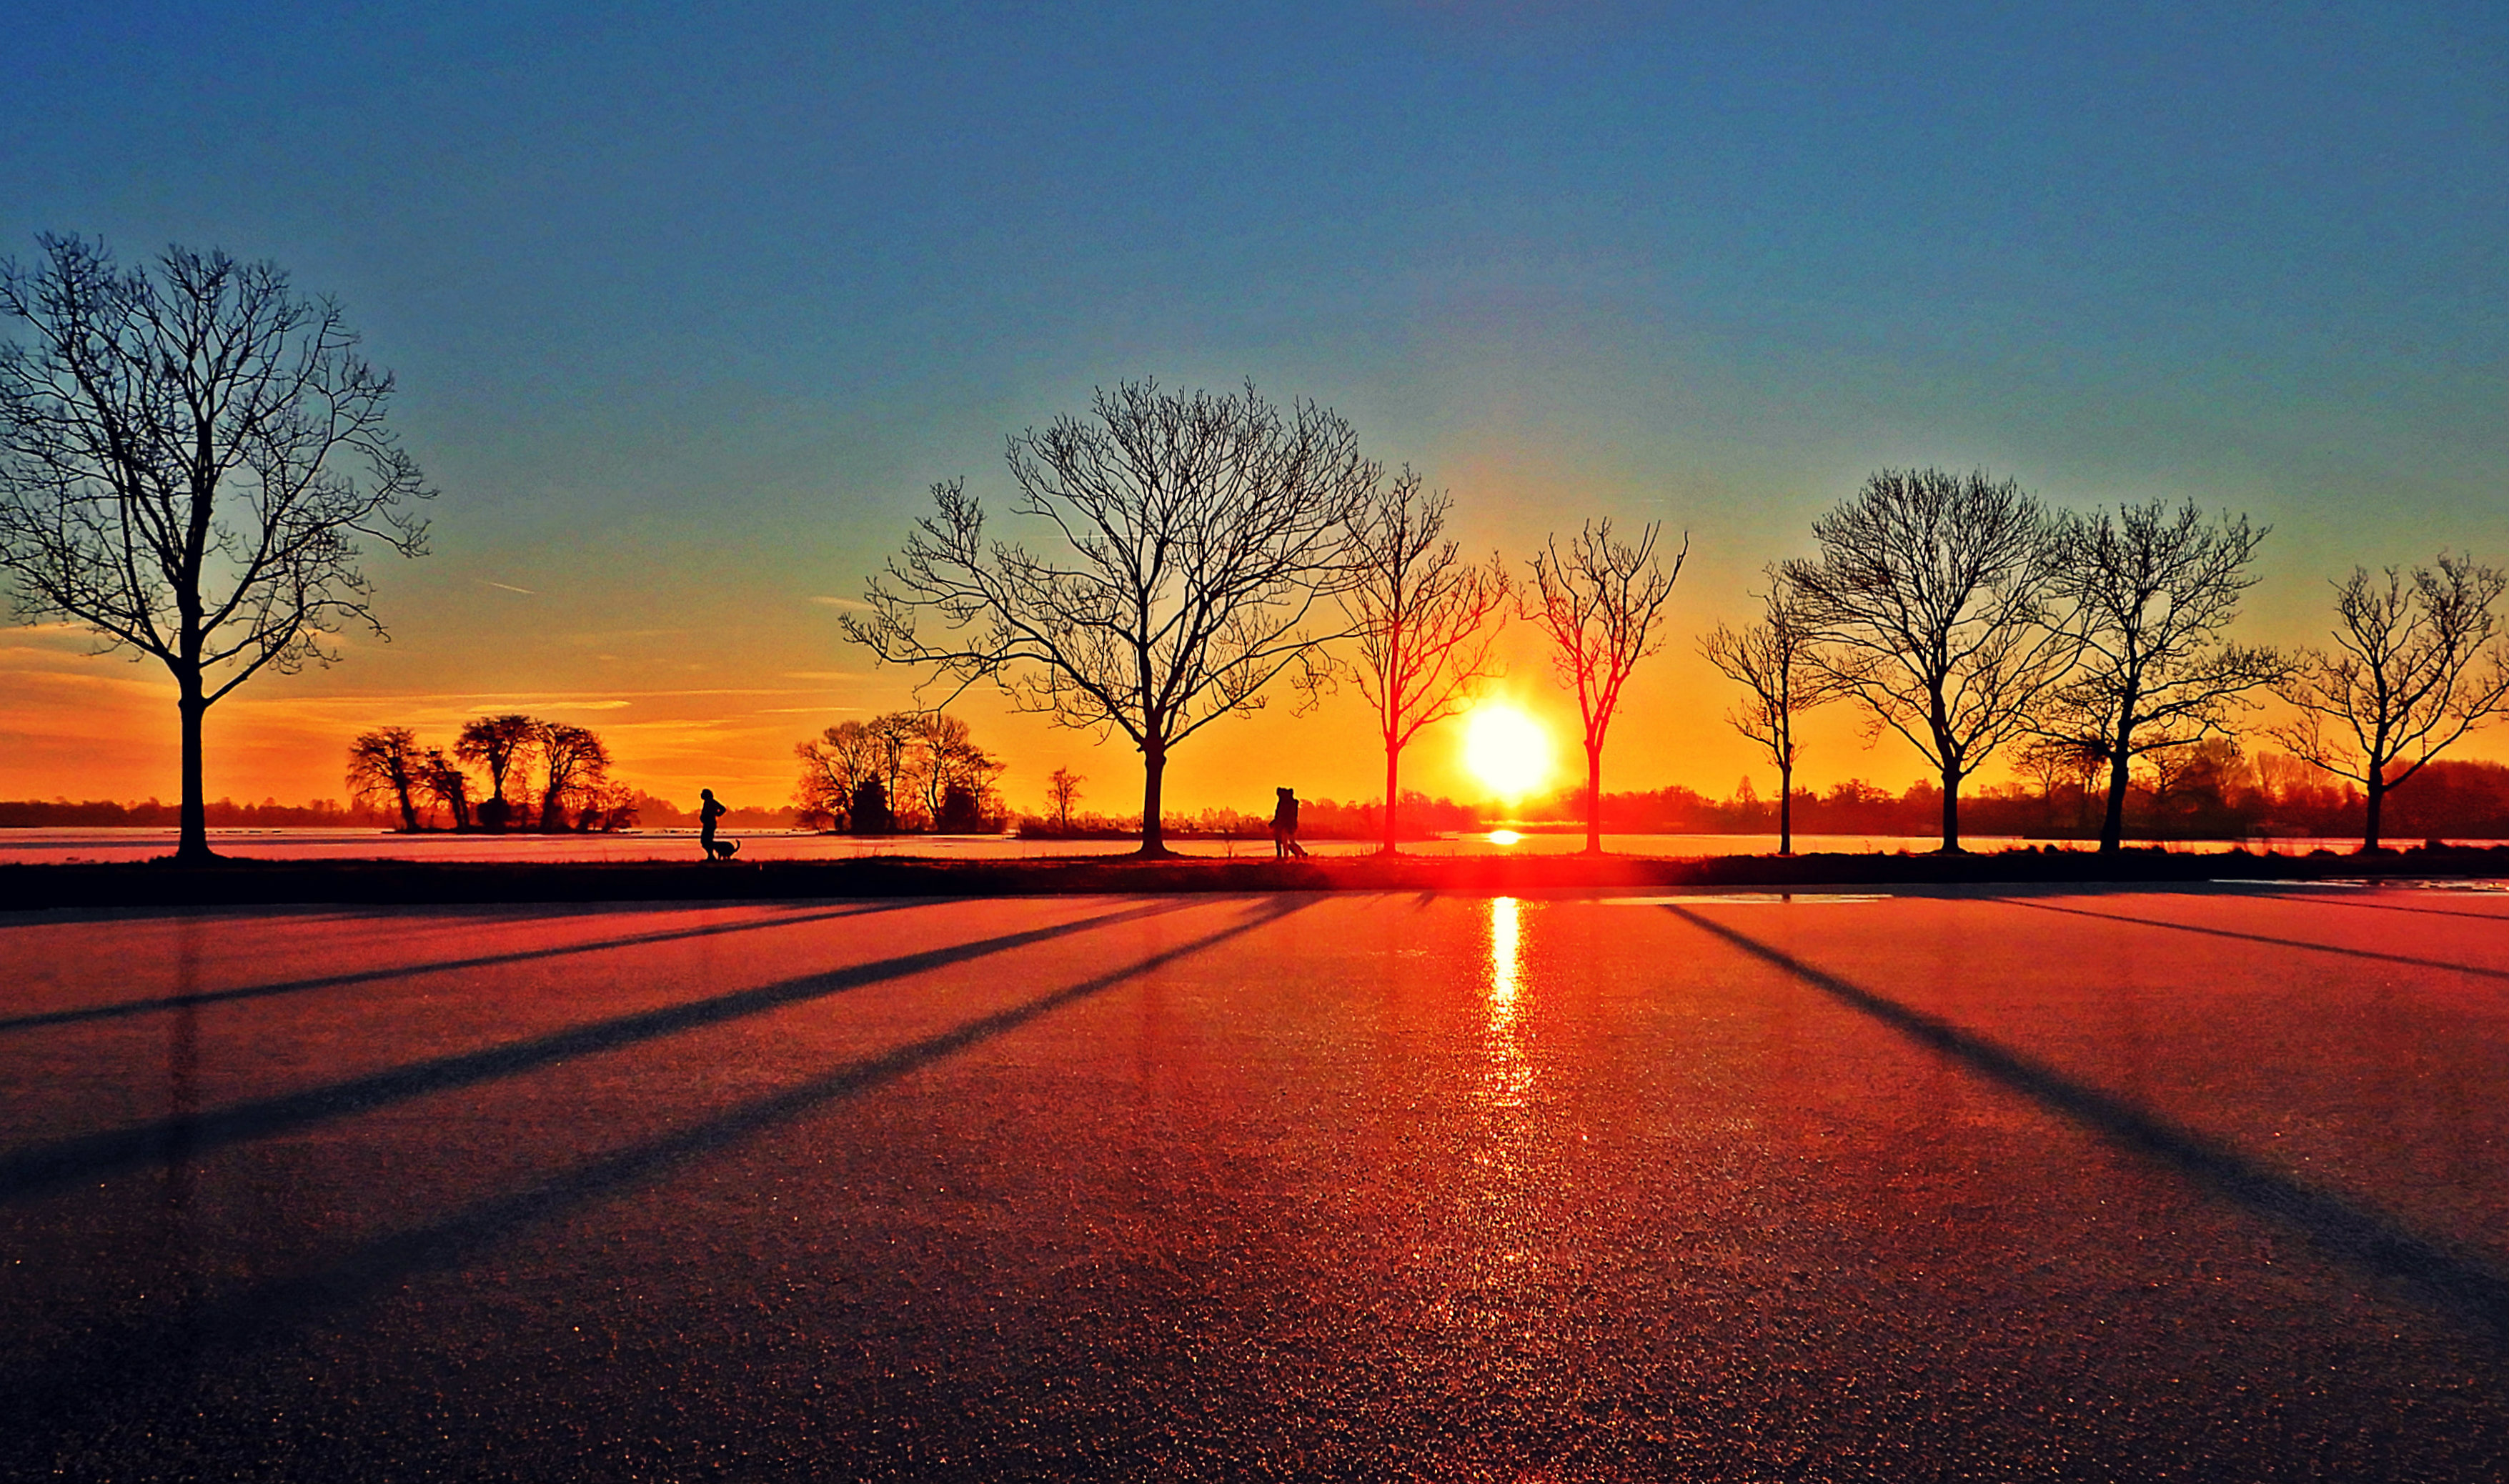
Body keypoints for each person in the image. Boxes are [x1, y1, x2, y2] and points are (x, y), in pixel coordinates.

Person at [1271, 786, 1308, 860]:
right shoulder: (1288, 802)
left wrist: (1277, 823)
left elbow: (1283, 815)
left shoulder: (1286, 803)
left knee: (1289, 842)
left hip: (1288, 826)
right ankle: (1299, 854)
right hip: (1289, 825)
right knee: (1288, 842)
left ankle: (1297, 855)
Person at [698, 787, 732, 860]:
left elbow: (723, 809)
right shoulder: (707, 802)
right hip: (708, 824)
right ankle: (710, 855)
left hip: (710, 825)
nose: (701, 795)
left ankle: (711, 856)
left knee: (706, 840)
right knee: (705, 841)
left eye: (703, 794)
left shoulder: (712, 802)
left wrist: (718, 814)